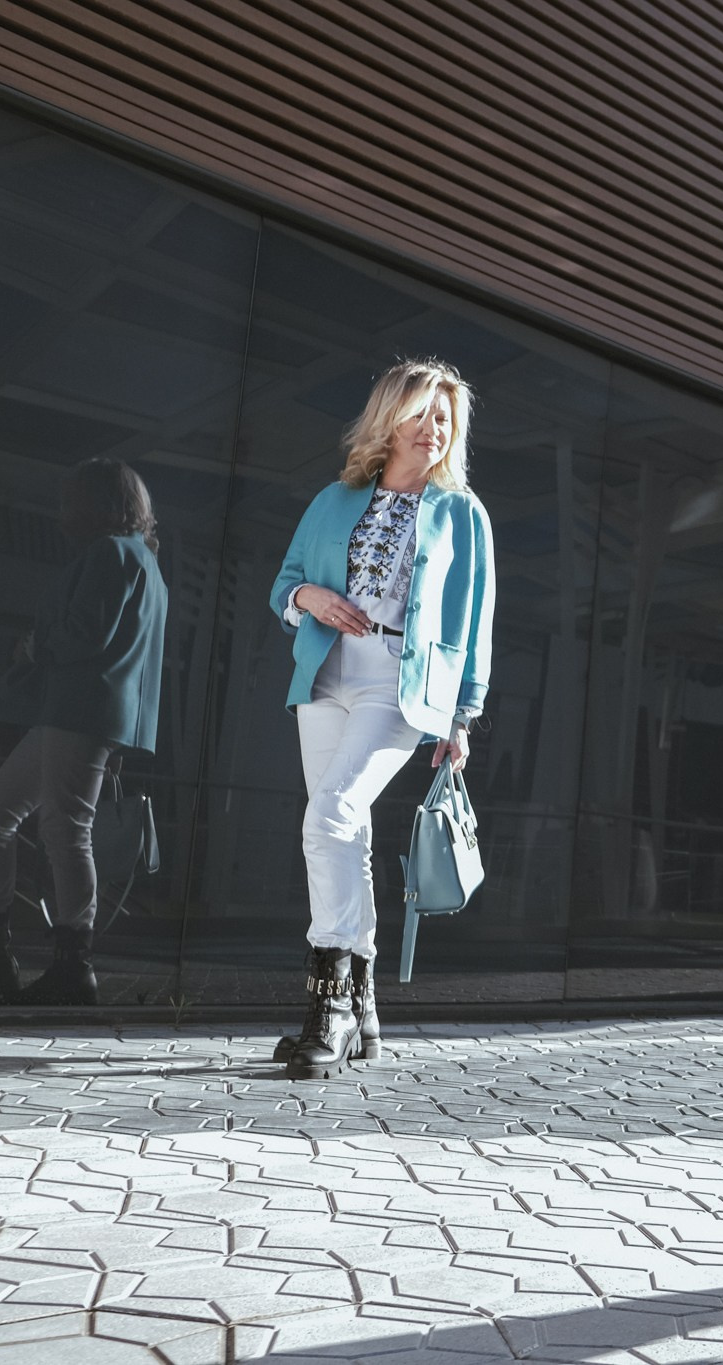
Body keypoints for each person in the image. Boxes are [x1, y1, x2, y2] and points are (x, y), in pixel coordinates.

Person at [269, 358, 495, 1079]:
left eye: (444, 418)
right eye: (423, 412)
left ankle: (328, 1001)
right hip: (326, 675)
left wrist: (464, 712)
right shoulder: (335, 499)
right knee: (347, 831)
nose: (435, 429)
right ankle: (362, 1007)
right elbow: (284, 581)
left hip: (400, 687)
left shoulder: (462, 512)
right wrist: (310, 598)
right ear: (389, 418)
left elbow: (476, 617)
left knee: (328, 816)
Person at [0, 459, 167, 1007]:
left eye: (70, 501)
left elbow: (84, 636)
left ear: (102, 504)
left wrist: (36, 646)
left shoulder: (107, 554)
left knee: (56, 827)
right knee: (0, 818)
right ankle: (31, 957)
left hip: (77, 709)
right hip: (93, 715)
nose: (61, 514)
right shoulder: (144, 563)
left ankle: (54, 961)